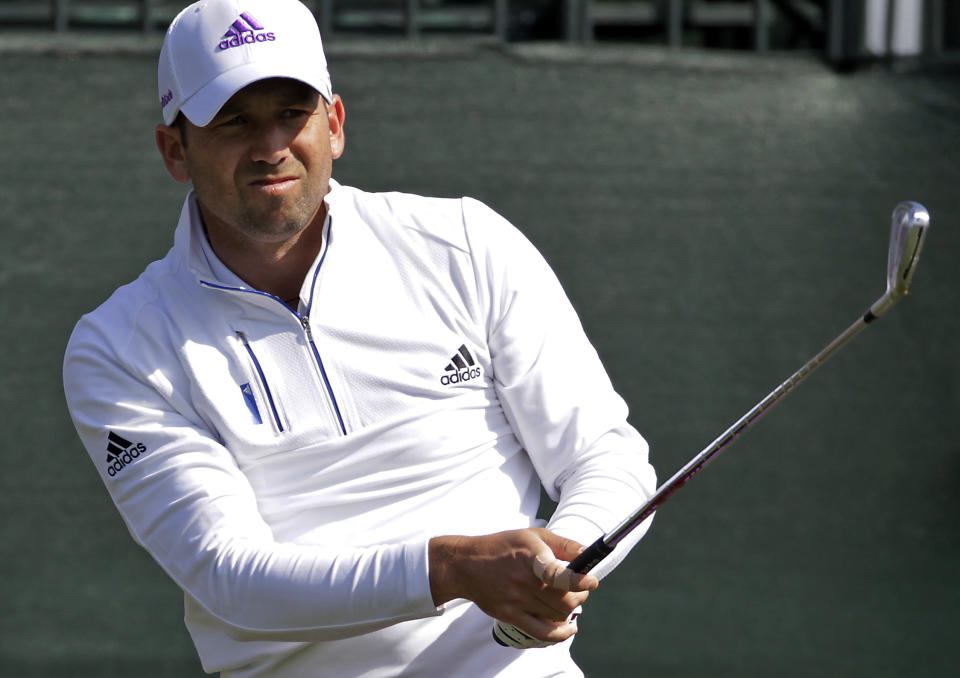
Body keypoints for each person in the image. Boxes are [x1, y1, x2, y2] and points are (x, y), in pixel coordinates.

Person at [62, 0, 657, 676]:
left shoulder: (464, 243)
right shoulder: (117, 347)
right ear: (176, 150)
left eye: (293, 113)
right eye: (234, 121)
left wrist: (557, 564)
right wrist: (453, 569)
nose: (270, 146)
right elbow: (231, 579)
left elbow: (606, 458)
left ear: (335, 125)